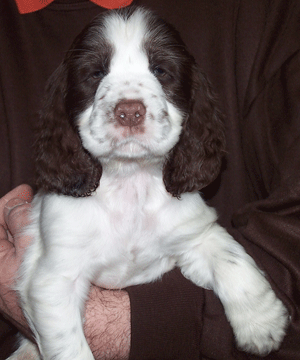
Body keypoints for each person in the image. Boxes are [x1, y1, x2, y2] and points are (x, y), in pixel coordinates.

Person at [0, 0, 300, 359]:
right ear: (66, 106)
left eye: (160, 71)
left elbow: (202, 243)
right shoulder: (65, 215)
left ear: (190, 104)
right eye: (96, 74)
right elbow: (51, 289)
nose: (129, 106)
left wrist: (252, 301)